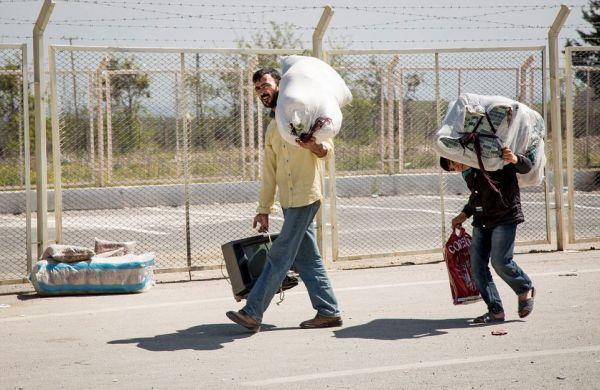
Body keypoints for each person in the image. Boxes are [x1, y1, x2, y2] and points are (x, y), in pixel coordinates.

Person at [226, 67, 341, 332]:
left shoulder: (304, 116)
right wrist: (264, 209)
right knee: (307, 258)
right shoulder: (272, 129)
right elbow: (269, 173)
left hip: (306, 196)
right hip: (289, 201)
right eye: (257, 88)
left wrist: (315, 146)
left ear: (281, 85)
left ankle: (253, 312)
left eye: (265, 85)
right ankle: (329, 311)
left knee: (280, 255)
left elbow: (327, 151)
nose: (261, 91)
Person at [440, 147, 535, 323]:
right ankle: (495, 310)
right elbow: (477, 196)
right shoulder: (468, 172)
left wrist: (514, 158)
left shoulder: (490, 156)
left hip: (505, 216)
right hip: (482, 220)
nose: (456, 168)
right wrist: (464, 214)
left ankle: (524, 288)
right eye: (453, 168)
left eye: (453, 162)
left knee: (500, 261)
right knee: (477, 268)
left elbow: (526, 167)